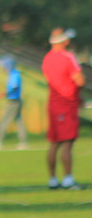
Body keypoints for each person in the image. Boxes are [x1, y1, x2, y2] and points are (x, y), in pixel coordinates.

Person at [42, 28, 86, 190]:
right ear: (64, 41)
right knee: (67, 143)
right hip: (66, 104)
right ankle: (68, 179)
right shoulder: (68, 57)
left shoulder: (46, 59)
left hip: (53, 104)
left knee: (54, 143)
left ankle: (52, 180)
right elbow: (79, 80)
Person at [0, 57, 27, 151]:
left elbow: (14, 87)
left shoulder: (14, 74)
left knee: (4, 121)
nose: (3, 69)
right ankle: (23, 142)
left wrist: (5, 94)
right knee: (19, 122)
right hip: (16, 101)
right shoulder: (14, 74)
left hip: (13, 101)